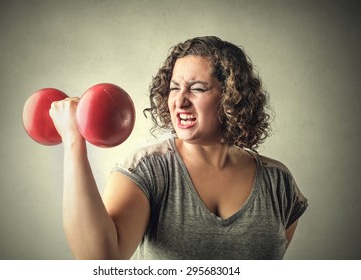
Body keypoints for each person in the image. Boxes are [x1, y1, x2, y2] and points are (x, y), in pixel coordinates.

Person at [49, 36, 308, 260]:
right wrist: (73, 140)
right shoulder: (147, 170)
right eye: (174, 88)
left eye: (197, 88)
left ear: (232, 97)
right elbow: (100, 259)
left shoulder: (279, 183)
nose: (180, 101)